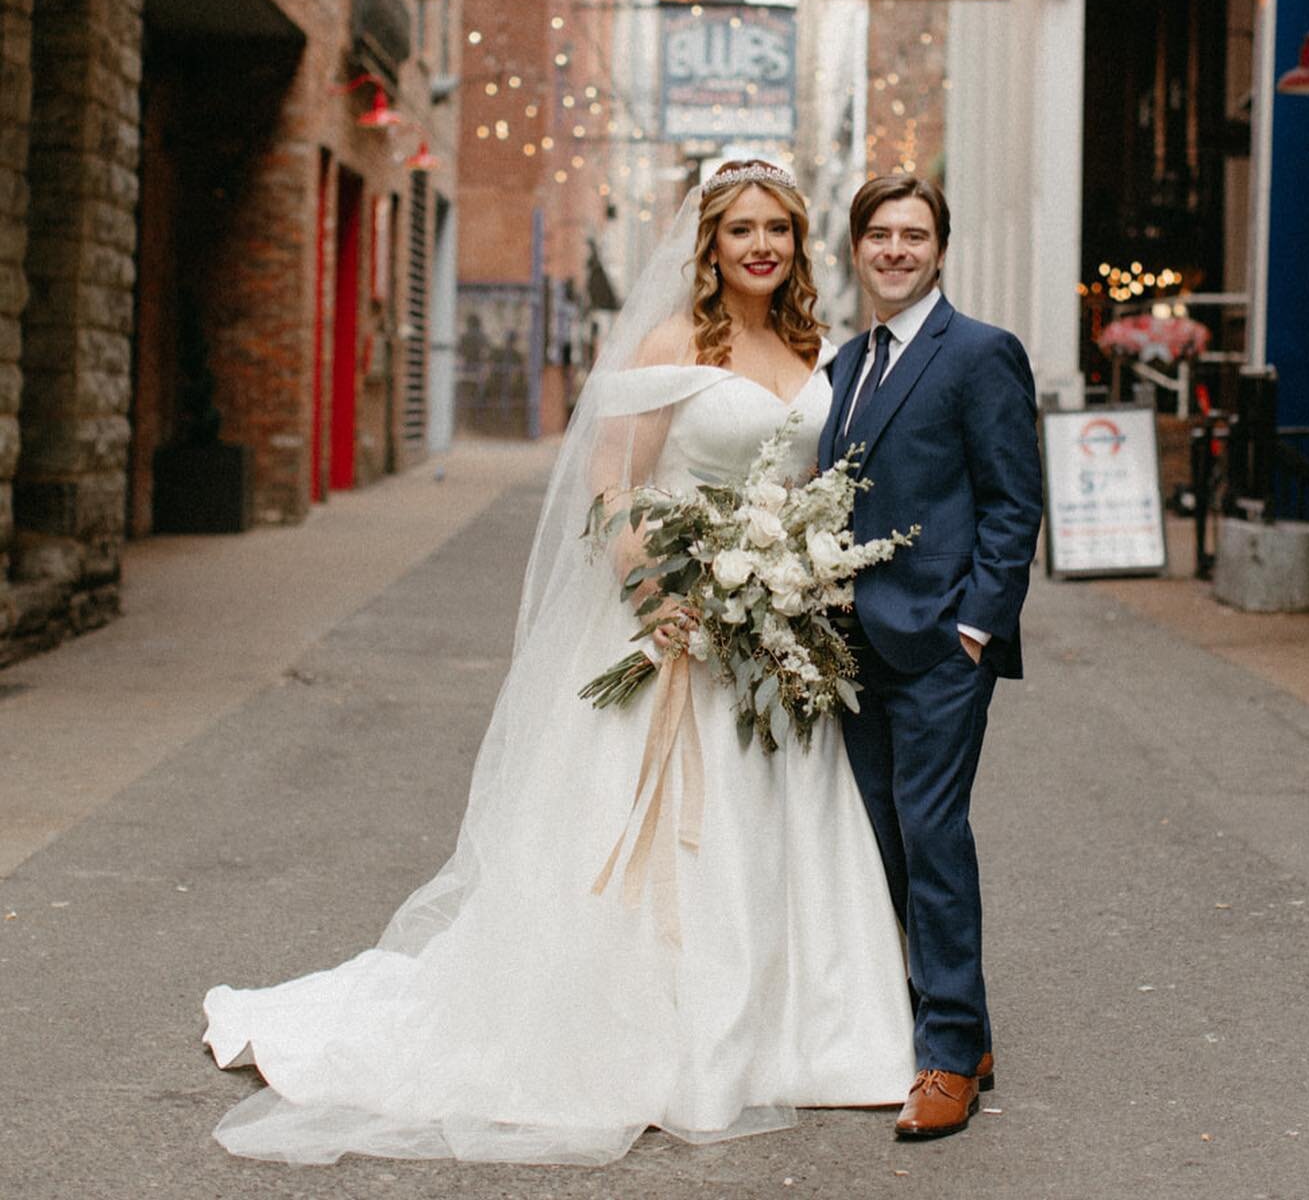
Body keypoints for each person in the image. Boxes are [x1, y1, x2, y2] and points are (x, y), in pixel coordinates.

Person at [203, 161, 913, 1167]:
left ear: (800, 247)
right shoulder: (675, 342)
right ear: (708, 244)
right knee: (655, 841)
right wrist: (656, 591)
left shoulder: (812, 350)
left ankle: (808, 1033)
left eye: (780, 231)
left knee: (778, 817)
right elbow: (609, 479)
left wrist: (790, 577)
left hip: (773, 628)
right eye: (742, 228)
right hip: (674, 622)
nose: (762, 245)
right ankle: (659, 1033)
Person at [819, 174, 1044, 1142]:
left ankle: (947, 1057)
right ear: (857, 249)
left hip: (942, 646)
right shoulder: (846, 363)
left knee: (931, 836)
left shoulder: (981, 353)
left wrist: (976, 628)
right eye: (880, 234)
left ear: (941, 249)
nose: (897, 250)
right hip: (850, 643)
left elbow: (1011, 500)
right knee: (879, 844)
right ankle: (968, 1027)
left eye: (915, 235)